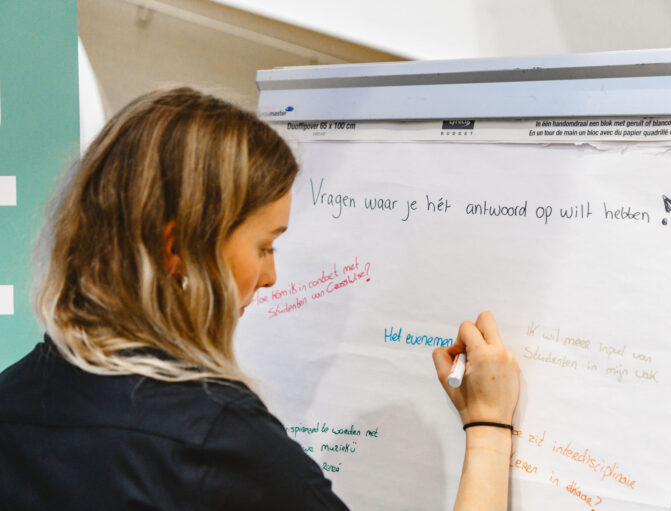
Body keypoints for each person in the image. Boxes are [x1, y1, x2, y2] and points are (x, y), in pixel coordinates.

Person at [0, 88, 519, 510]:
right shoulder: (217, 442)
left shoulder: (14, 397)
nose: (271, 276)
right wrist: (489, 428)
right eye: (264, 246)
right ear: (177, 247)